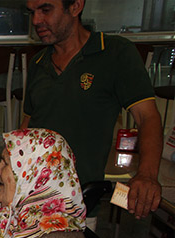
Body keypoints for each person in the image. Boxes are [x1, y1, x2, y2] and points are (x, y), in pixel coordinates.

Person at [21, 0, 163, 220]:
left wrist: (147, 175)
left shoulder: (115, 53)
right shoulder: (38, 63)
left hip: (79, 203)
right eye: (32, 12)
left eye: (45, 10)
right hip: (31, 199)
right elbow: (28, 124)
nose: (36, 20)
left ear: (75, 6)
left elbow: (147, 117)